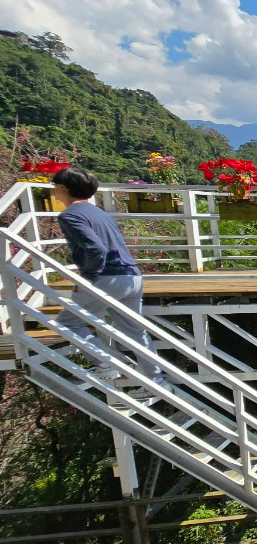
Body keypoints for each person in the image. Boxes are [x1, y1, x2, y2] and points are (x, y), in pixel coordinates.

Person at [51, 167, 166, 399]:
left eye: (55, 186)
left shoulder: (70, 215)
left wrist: (89, 275)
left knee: (68, 323)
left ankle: (105, 364)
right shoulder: (100, 213)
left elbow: (95, 248)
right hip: (131, 276)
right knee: (135, 332)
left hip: (106, 277)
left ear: (63, 188)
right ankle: (156, 382)